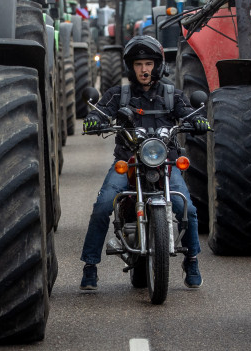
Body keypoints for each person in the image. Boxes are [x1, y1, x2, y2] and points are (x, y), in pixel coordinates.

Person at [79, 35, 211, 291]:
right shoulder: (119, 94)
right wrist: (94, 119)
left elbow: (188, 112)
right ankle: (90, 266)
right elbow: (100, 111)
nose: (144, 69)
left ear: (157, 65)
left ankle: (192, 260)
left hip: (165, 163)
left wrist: (199, 119)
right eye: (139, 64)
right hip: (128, 162)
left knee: (188, 208)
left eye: (149, 63)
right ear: (131, 67)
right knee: (104, 203)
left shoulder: (172, 95)